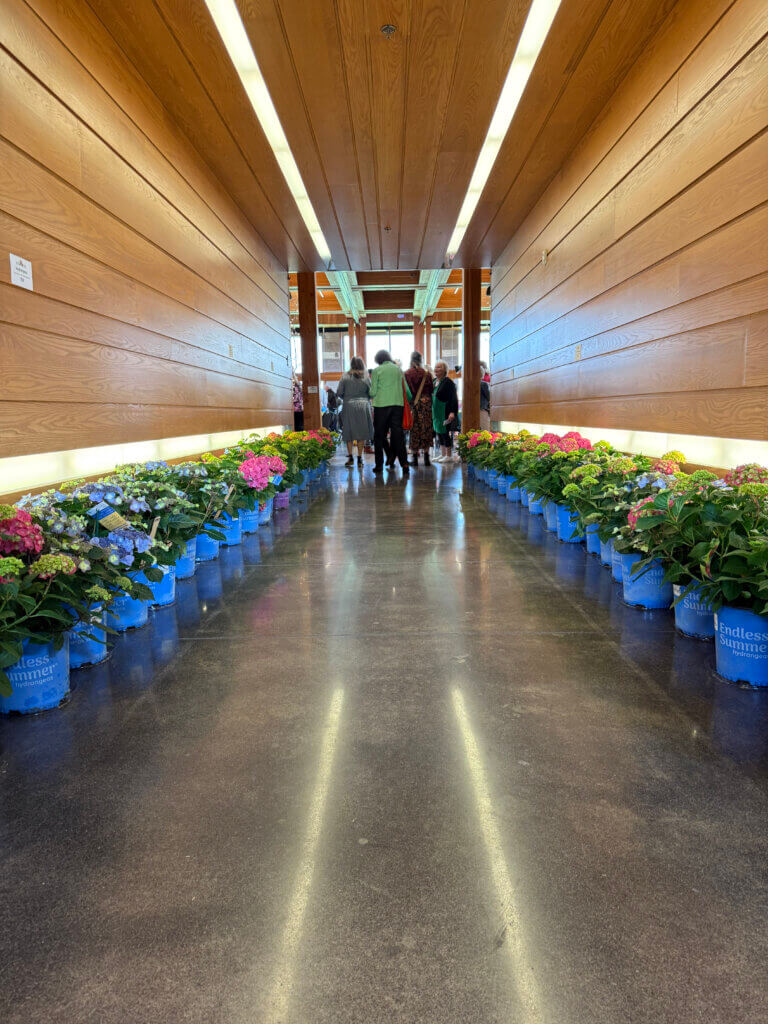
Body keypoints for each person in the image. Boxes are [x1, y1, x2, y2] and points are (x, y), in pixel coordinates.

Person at [369, 349, 411, 475]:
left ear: (378, 360)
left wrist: (369, 393)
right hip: (398, 405)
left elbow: (373, 392)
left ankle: (379, 465)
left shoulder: (377, 370)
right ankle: (404, 464)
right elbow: (406, 390)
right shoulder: (398, 369)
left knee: (379, 435)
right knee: (398, 435)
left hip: (381, 406)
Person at [336, 357, 373, 467]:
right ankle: (360, 458)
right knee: (361, 433)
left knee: (349, 431)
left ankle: (350, 457)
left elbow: (339, 392)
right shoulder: (366, 377)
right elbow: (371, 393)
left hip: (348, 405)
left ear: (351, 364)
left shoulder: (345, 376)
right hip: (363, 406)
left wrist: (346, 397)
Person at [404, 351, 433, 466]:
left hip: (414, 405)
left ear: (411, 360)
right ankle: (426, 457)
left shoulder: (407, 373)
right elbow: (431, 389)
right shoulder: (427, 373)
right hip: (426, 404)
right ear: (421, 360)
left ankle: (415, 458)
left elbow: (407, 391)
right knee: (426, 429)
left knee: (415, 430)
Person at [432, 360, 459, 463]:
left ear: (444, 370)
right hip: (436, 412)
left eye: (439, 367)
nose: (436, 369)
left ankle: (448, 455)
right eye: (436, 367)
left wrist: (452, 412)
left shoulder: (448, 382)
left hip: (444, 411)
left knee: (445, 433)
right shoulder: (434, 381)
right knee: (439, 432)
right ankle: (442, 454)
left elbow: (453, 398)